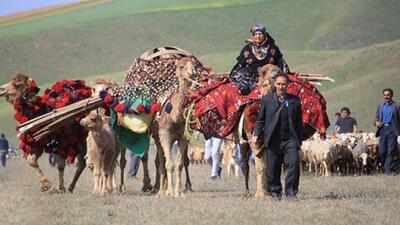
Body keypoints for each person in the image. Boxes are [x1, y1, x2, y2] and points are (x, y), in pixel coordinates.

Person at [252, 72, 303, 200]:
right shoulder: (267, 100)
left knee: (293, 164)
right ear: (275, 84)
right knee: (272, 168)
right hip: (273, 140)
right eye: (279, 84)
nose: (281, 87)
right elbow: (260, 120)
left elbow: (298, 123)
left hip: (289, 140)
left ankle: (291, 193)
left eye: (283, 84)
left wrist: (298, 143)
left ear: (288, 85)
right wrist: (256, 134)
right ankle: (275, 193)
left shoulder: (295, 101)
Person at [230, 24, 290, 94]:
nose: (258, 36)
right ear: (252, 36)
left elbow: (280, 63)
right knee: (242, 81)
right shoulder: (247, 49)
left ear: (264, 35)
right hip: (250, 77)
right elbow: (240, 65)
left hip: (269, 76)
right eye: (255, 34)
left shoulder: (272, 48)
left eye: (260, 34)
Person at [374, 88, 400, 175]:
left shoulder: (397, 106)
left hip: (393, 129)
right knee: (381, 151)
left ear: (391, 95)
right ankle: (390, 167)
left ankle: (389, 170)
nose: (386, 97)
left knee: (391, 150)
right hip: (382, 129)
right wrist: (376, 123)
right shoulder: (380, 105)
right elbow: (376, 117)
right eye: (385, 95)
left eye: (388, 95)